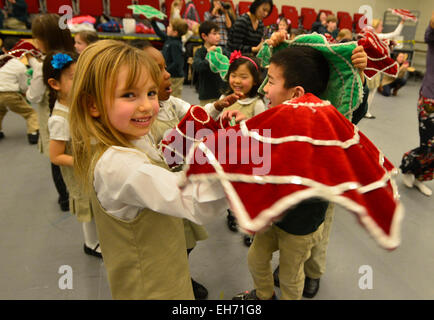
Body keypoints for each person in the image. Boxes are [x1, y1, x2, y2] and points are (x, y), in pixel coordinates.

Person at [68, 39, 229, 299]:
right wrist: (245, 164)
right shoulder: (119, 165)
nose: (146, 106)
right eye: (129, 95)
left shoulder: (129, 137)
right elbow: (194, 201)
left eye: (150, 93)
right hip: (153, 288)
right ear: (93, 105)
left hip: (163, 264)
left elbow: (160, 158)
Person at [233, 35, 368, 300]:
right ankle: (263, 296)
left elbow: (351, 113)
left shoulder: (325, 131)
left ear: (296, 93)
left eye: (270, 82)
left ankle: (311, 276)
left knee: (291, 274)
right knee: (256, 258)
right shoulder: (272, 116)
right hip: (272, 216)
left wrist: (359, 76)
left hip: (302, 224)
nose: (264, 89)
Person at [130, 39, 210, 300]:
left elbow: (195, 113)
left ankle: (181, 276)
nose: (167, 74)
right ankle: (173, 283)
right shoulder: (137, 124)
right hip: (159, 199)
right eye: (158, 70)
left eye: (165, 67)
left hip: (177, 190)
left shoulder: (171, 104)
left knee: (182, 243)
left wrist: (216, 110)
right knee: (163, 248)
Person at [44, 51, 101, 258]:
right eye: (73, 77)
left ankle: (99, 238)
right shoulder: (59, 119)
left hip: (93, 163)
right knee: (89, 207)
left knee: (98, 202)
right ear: (55, 84)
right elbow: (55, 156)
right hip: (80, 169)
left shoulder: (80, 103)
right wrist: (83, 162)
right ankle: (91, 243)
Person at [26, 13, 75, 211]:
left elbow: (33, 96)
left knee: (57, 158)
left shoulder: (46, 64)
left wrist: (34, 65)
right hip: (75, 115)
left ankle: (65, 198)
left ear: (44, 40)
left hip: (54, 117)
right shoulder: (72, 56)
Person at [400, 11, 434, 197]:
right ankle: (408, 167)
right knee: (428, 144)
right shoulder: (432, 38)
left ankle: (421, 177)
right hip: (430, 98)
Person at [0, 36, 39, 144]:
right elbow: (23, 86)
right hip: (10, 94)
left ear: (4, 49)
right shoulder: (19, 66)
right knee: (30, 113)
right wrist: (26, 93)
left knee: (0, 111)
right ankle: (33, 133)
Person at [364, 17, 405, 119]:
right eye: (381, 25)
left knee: (368, 91)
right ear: (376, 27)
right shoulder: (377, 36)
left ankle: (364, 110)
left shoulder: (372, 36)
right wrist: (402, 21)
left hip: (370, 68)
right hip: (373, 68)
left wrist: (390, 44)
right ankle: (366, 111)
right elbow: (394, 34)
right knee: (370, 92)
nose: (382, 27)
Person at [150, 17, 189, 98]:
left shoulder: (175, 44)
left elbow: (177, 62)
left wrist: (164, 71)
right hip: (170, 74)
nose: (167, 27)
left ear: (175, 32)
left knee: (174, 97)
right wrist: (153, 22)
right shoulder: (170, 39)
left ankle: (176, 111)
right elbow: (160, 34)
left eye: (169, 26)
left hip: (175, 76)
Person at [193, 20, 227, 106]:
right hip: (207, 95)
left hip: (222, 93)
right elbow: (198, 67)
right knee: (207, 116)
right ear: (204, 36)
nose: (218, 36)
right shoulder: (200, 52)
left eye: (219, 33)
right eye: (215, 34)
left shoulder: (221, 51)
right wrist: (209, 55)